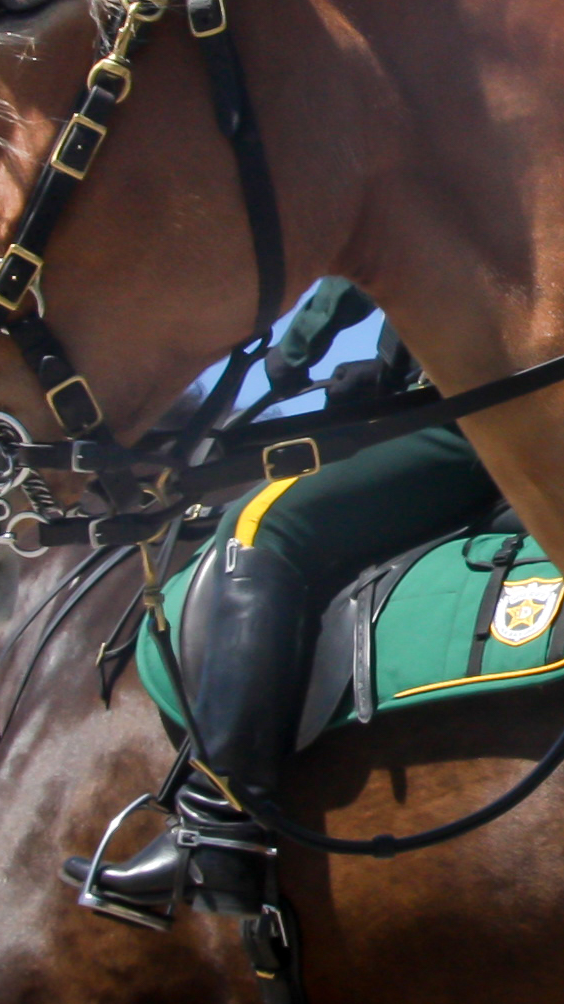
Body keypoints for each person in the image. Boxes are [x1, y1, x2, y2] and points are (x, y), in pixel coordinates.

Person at [74, 278, 508, 914]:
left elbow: (376, 241)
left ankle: (219, 828)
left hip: (478, 406)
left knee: (260, 524)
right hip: (514, 393)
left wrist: (289, 358)